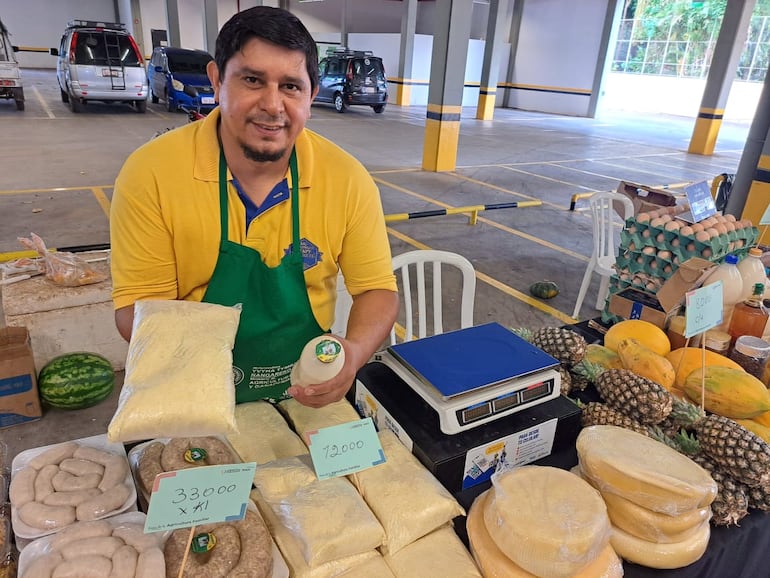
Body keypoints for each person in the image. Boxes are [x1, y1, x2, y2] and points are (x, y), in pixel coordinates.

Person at [110, 6, 399, 408]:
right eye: (252, 80)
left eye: (291, 87)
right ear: (217, 80)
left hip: (303, 392)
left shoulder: (347, 179)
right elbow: (137, 310)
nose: (272, 105)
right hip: (189, 387)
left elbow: (376, 289)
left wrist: (352, 354)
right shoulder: (152, 173)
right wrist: (211, 374)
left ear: (312, 95)